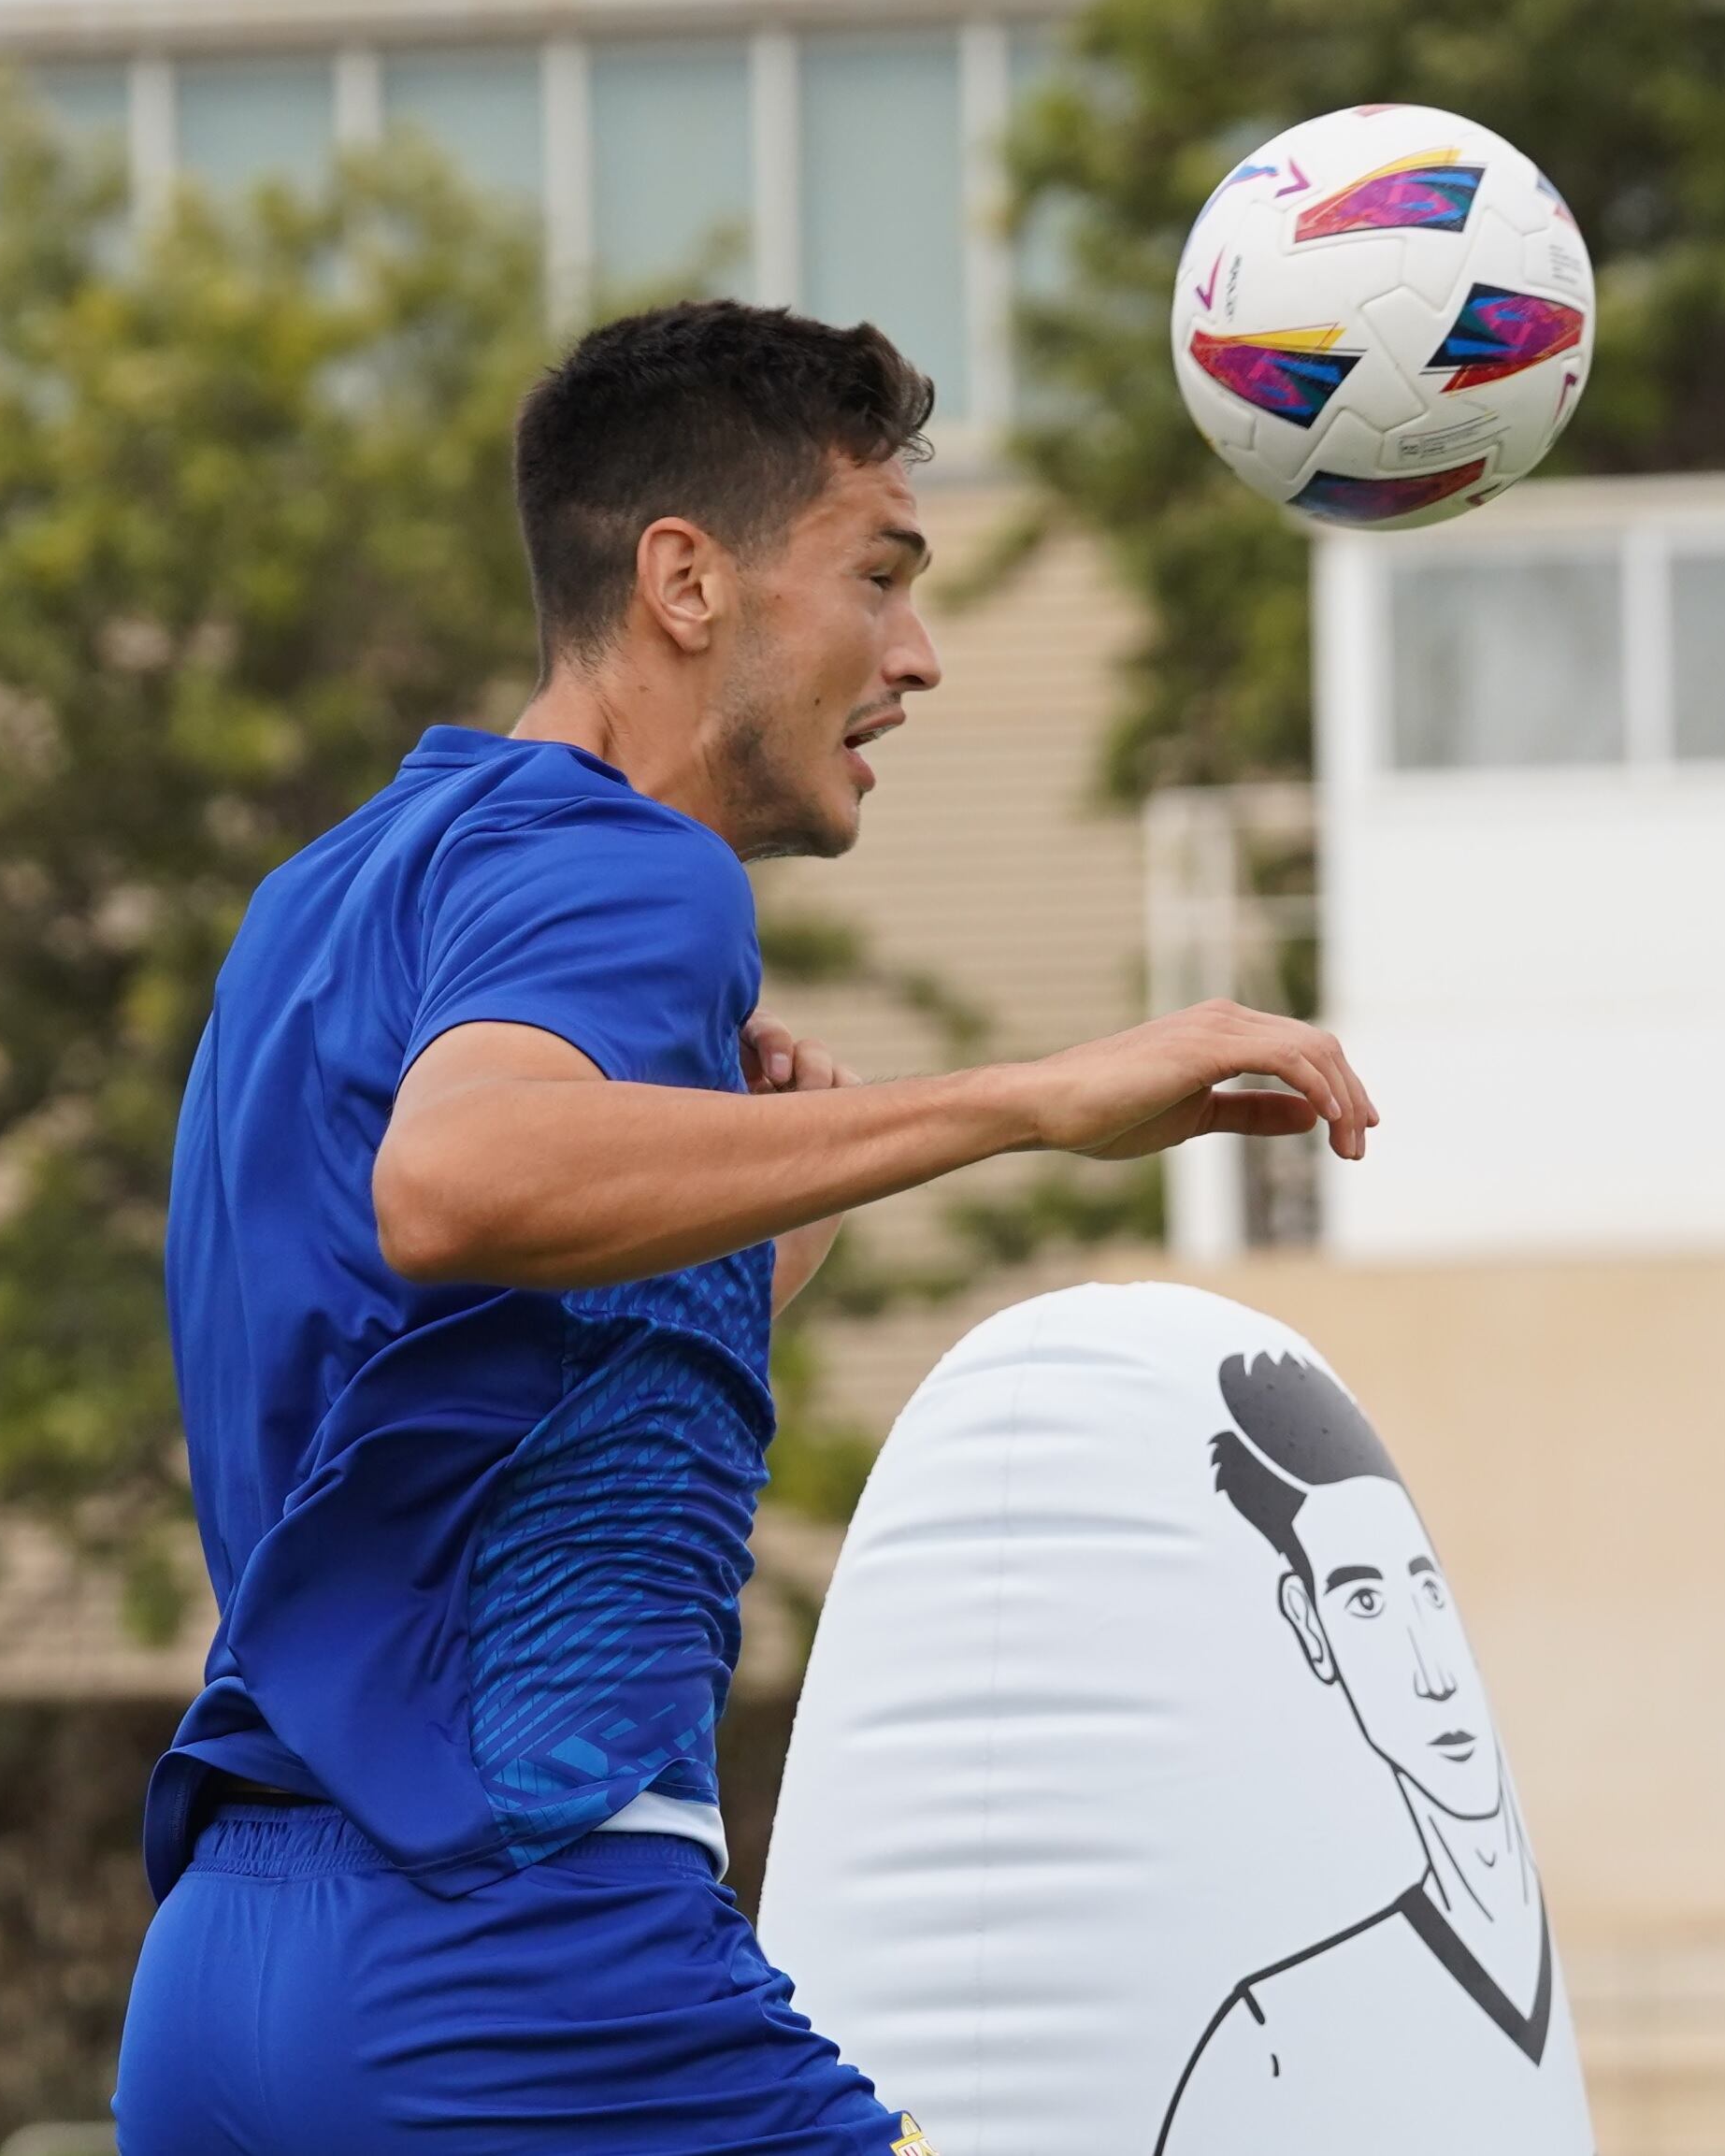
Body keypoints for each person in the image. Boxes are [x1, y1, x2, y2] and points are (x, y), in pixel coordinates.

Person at [112, 300, 1377, 2156]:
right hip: (523, 1963)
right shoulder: (635, 868)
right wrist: (1020, 1098)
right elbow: (455, 1186)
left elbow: (431, 1371)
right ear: (683, 582)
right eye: (877, 574)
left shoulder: (325, 900)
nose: (913, 653)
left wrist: (754, 1235)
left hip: (223, 1985)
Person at [1155, 1350, 1594, 2156]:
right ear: (1309, 1625)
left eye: (1425, 1588)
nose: (1431, 1674)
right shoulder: (1270, 2038)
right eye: (1363, 1600)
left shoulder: (1533, 1981)